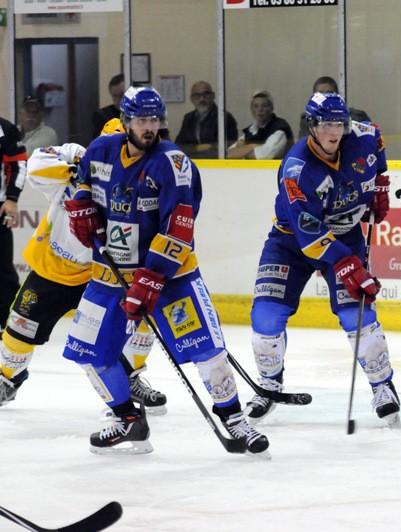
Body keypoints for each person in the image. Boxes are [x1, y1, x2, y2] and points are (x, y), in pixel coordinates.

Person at [62, 86, 268, 455]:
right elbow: (83, 186)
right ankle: (127, 419)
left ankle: (234, 419)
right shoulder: (100, 150)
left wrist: (152, 275)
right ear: (125, 120)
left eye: (154, 119)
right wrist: (80, 207)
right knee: (90, 353)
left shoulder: (172, 163)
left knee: (208, 352)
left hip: (171, 278)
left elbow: (180, 226)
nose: (148, 127)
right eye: (141, 119)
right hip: (110, 276)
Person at [247, 92, 398, 425]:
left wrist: (381, 187)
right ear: (311, 126)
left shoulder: (364, 135)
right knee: (266, 320)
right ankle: (270, 384)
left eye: (339, 123)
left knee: (356, 317)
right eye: (327, 124)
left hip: (344, 234)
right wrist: (347, 265)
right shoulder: (296, 168)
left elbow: (378, 148)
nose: (334, 131)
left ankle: (383, 385)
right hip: (291, 242)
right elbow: (309, 232)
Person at [0, 119, 166, 414]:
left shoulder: (140, 181)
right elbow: (36, 164)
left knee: (137, 323)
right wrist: (76, 170)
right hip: (55, 269)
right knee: (20, 330)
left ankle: (130, 377)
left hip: (103, 275)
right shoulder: (77, 156)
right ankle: (7, 379)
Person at [0, 116, 27, 331]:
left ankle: (5, 319)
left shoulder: (5, 129)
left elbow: (19, 162)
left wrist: (12, 198)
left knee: (2, 267)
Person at [175, 81, 238, 158]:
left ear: (213, 96)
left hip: (216, 164)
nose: (202, 99)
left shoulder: (224, 117)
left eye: (206, 94)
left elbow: (230, 146)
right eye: (197, 95)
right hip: (191, 163)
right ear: (192, 98)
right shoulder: (188, 118)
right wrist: (197, 148)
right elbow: (179, 146)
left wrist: (196, 149)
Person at [227, 90, 294, 160]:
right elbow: (229, 154)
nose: (260, 109)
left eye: (264, 106)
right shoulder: (251, 130)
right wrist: (252, 146)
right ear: (251, 110)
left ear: (271, 108)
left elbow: (257, 157)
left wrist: (242, 149)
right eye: (256, 106)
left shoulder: (280, 129)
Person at [296, 77, 371, 138]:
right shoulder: (308, 120)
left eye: (329, 93)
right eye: (320, 94)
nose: (325, 97)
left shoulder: (357, 117)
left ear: (337, 96)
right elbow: (305, 147)